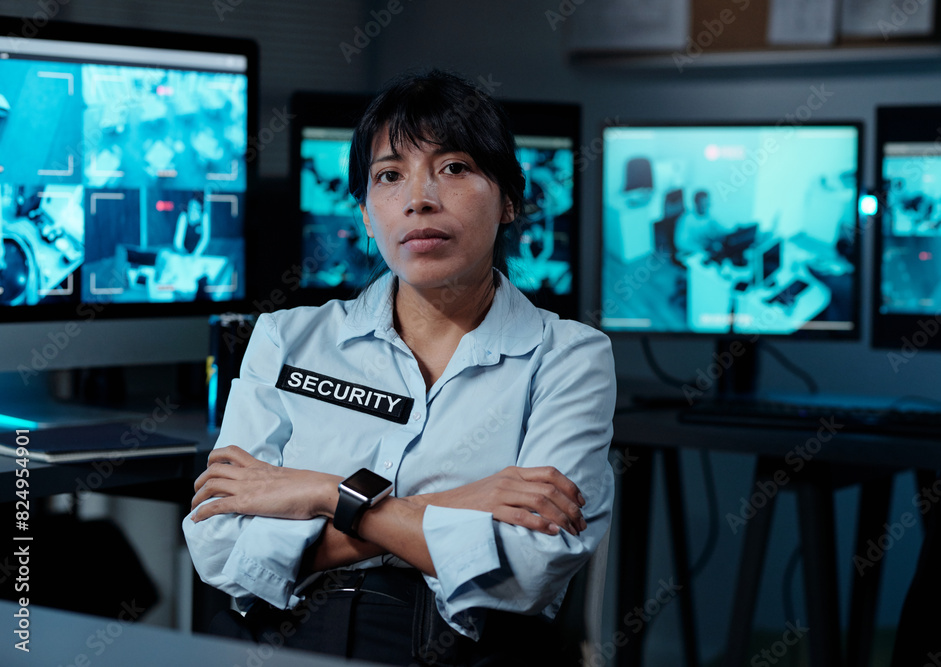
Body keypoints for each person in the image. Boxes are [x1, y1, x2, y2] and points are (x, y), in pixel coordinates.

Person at [182, 69, 616, 667]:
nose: (419, 198)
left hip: (463, 646)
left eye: (455, 167)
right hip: (283, 634)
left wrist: (317, 491)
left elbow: (528, 569)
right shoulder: (286, 338)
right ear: (364, 212)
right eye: (389, 175)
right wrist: (465, 504)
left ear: (511, 199)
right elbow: (220, 547)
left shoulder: (569, 355)